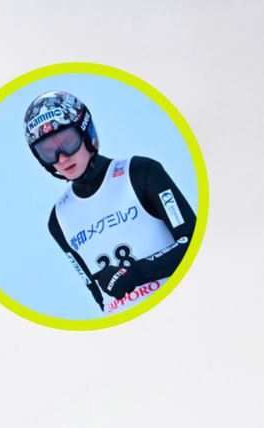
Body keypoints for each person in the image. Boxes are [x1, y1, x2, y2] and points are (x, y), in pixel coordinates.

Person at [23, 91, 197, 315]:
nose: (62, 157)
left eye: (68, 142)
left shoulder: (140, 172)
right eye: (48, 152)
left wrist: (136, 273)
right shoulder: (58, 219)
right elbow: (96, 293)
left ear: (86, 133)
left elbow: (193, 240)